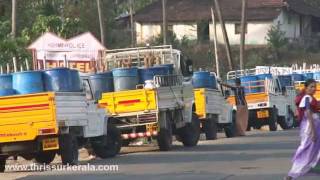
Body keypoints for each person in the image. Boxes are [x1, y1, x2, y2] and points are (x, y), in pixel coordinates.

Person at [285, 79, 320, 180]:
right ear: (306, 88)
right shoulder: (307, 98)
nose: (314, 89)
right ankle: (291, 175)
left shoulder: (310, 98)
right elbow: (308, 113)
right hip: (310, 128)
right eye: (311, 87)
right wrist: (313, 132)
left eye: (315, 86)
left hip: (314, 127)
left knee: (313, 152)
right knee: (307, 153)